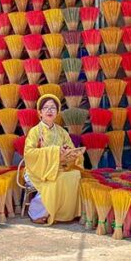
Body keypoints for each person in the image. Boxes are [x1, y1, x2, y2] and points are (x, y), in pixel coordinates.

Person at [23, 94, 84, 224]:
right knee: (55, 180)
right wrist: (54, 151)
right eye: (46, 108)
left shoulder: (62, 131)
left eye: (53, 108)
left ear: (57, 112)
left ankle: (63, 213)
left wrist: (69, 152)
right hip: (38, 171)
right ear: (40, 112)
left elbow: (72, 149)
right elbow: (28, 153)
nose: (50, 111)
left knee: (75, 174)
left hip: (59, 168)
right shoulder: (35, 131)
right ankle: (36, 213)